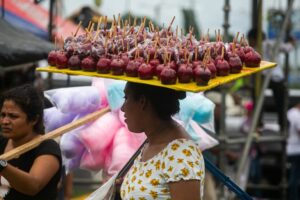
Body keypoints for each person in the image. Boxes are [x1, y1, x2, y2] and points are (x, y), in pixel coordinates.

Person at [119, 82, 205, 200]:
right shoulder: (149, 145)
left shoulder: (181, 154)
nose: (122, 108)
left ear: (142, 102)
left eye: (126, 98)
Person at [0, 84, 62, 200]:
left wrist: (2, 165)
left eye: (13, 116)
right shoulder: (2, 142)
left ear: (34, 119)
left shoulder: (47, 148)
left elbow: (33, 186)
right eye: (3, 115)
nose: (5, 121)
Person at [247, 28, 294, 132]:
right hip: (277, 78)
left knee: (258, 99)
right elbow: (287, 48)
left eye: (250, 40)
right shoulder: (273, 44)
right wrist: (291, 41)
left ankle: (259, 124)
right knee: (281, 103)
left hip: (264, 77)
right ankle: (283, 125)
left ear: (254, 39)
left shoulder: (255, 48)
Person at [286, 103, 300, 200]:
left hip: (289, 148)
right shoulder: (297, 115)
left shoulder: (289, 113)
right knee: (295, 177)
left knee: (292, 175)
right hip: (297, 149)